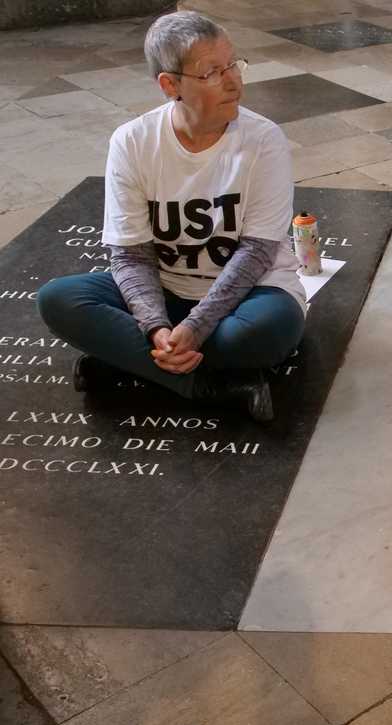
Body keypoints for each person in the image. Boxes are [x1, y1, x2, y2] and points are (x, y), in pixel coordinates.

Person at [37, 10, 306, 422]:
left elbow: (256, 252)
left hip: (250, 295)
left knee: (268, 331)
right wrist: (155, 327)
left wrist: (194, 328)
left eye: (233, 64)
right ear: (170, 85)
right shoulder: (133, 142)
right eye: (212, 72)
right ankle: (207, 388)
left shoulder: (264, 140)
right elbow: (131, 255)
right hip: (165, 291)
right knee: (58, 299)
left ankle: (125, 361)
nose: (233, 81)